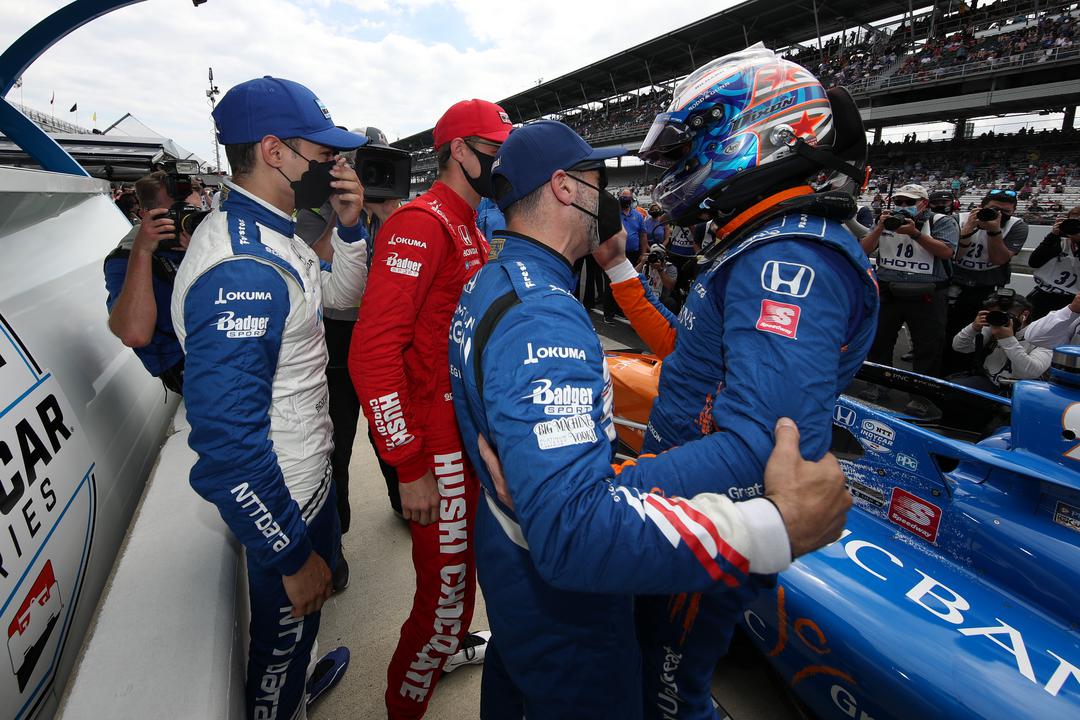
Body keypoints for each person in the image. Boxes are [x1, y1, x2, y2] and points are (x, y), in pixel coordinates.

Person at [449, 118, 853, 719]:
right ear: (564, 188)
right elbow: (572, 529)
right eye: (597, 180)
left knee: (513, 689)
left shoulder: (498, 275)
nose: (607, 196)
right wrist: (773, 527)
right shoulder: (544, 316)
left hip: (513, 560)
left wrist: (564, 476)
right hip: (562, 599)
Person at [614, 45, 879, 719]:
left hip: (707, 516)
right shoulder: (765, 238)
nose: (675, 171)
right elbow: (694, 359)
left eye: (688, 149)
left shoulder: (789, 253)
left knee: (669, 696)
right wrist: (620, 272)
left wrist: (611, 500)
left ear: (759, 131)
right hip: (690, 500)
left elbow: (766, 450)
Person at [170, 76, 370, 719]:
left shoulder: (277, 233)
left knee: (301, 632)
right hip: (284, 494)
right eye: (323, 153)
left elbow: (336, 303)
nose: (334, 166)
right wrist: (289, 554)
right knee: (277, 656)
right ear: (276, 150)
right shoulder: (244, 270)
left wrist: (347, 230)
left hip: (308, 475)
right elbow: (228, 445)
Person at [350, 98, 511, 719]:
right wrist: (408, 463)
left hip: (467, 440)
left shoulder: (470, 224)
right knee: (445, 608)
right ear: (458, 152)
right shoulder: (421, 224)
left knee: (463, 589)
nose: (501, 162)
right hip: (436, 449)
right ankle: (403, 707)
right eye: (492, 150)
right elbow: (371, 354)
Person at [293, 126, 406, 592]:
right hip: (335, 344)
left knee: (391, 432)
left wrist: (389, 215)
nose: (369, 176)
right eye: (360, 165)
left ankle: (405, 503)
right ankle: (333, 543)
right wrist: (346, 218)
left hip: (383, 340)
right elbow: (324, 279)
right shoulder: (313, 208)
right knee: (335, 445)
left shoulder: (394, 212)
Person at [860, 184, 957, 395]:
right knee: (879, 340)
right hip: (888, 289)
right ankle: (878, 384)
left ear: (923, 203)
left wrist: (915, 233)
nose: (903, 206)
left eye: (909, 202)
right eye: (899, 202)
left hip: (927, 291)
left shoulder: (941, 221)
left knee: (928, 346)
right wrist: (879, 228)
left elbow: (947, 251)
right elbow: (862, 250)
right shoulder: (885, 221)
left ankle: (922, 394)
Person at [104, 171, 189, 394]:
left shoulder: (201, 239)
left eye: (189, 210)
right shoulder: (124, 259)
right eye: (174, 213)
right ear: (145, 214)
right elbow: (135, 334)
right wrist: (143, 250)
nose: (185, 218)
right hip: (186, 364)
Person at [944, 189, 1029, 374]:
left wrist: (994, 231)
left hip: (986, 288)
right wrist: (966, 232)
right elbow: (953, 256)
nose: (999, 215)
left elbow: (999, 259)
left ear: (1013, 212)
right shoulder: (958, 219)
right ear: (981, 207)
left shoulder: (1017, 226)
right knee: (947, 331)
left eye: (1005, 212)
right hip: (955, 284)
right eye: (993, 210)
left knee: (980, 333)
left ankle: (971, 370)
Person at [950, 291, 1051, 394]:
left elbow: (1030, 372)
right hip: (989, 382)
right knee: (949, 389)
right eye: (994, 315)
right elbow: (959, 347)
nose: (999, 319)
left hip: (1023, 392)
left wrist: (1007, 339)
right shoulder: (993, 327)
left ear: (1024, 315)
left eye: (1006, 316)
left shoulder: (1043, 337)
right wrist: (973, 328)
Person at [1027, 207, 1080, 320]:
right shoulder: (1058, 241)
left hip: (1074, 301)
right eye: (1073, 223)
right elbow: (1034, 262)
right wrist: (1053, 235)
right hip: (1045, 295)